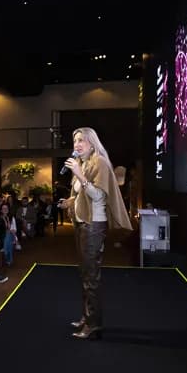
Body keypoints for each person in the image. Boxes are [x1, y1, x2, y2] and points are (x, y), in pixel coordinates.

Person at [59, 127, 132, 340]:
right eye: (75, 141)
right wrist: (70, 201)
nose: (77, 144)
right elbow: (83, 195)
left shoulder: (99, 162)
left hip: (94, 224)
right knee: (84, 274)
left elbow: (99, 196)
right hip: (81, 223)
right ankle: (86, 317)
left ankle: (94, 325)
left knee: (91, 277)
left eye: (81, 140)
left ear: (92, 142)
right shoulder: (82, 163)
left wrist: (80, 176)